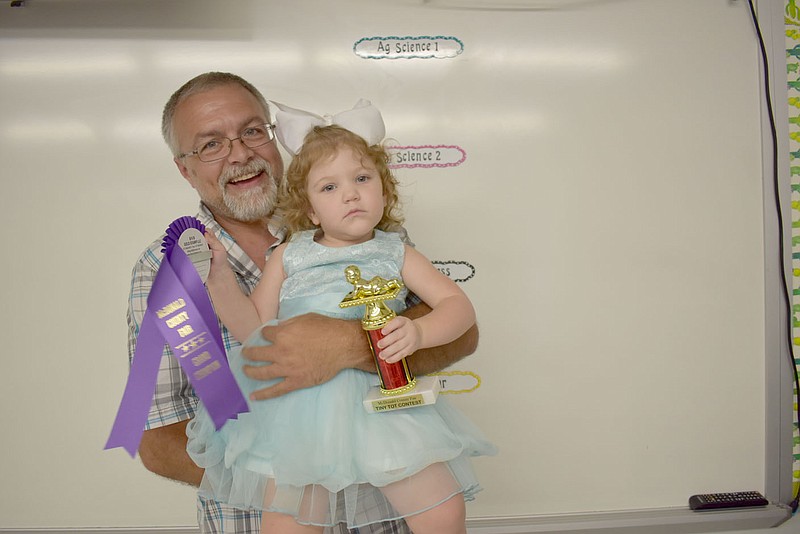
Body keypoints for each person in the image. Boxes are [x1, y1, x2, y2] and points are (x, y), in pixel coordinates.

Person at [127, 72, 479, 534]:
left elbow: (459, 330)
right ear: (184, 168)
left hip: (382, 499)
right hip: (264, 484)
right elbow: (155, 436)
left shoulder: (374, 238)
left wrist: (350, 345)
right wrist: (281, 467)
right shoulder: (166, 269)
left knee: (442, 509)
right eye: (211, 144)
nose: (239, 153)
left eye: (252, 131)